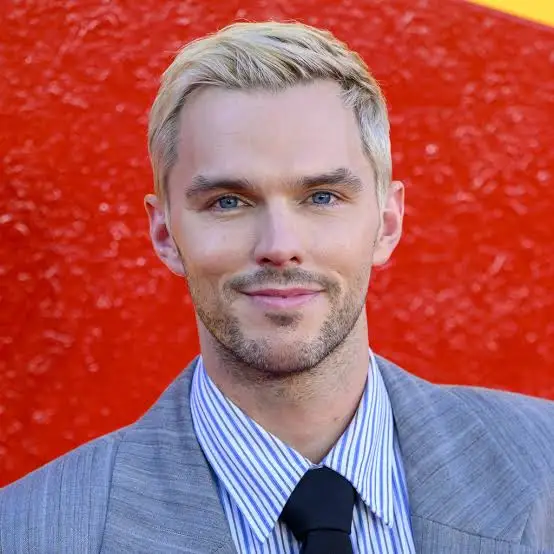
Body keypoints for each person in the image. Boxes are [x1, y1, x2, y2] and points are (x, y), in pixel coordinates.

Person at [1, 20, 553, 554]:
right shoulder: (29, 535)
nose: (280, 245)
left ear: (387, 223)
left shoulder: (545, 465)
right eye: (228, 201)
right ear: (165, 234)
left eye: (322, 197)